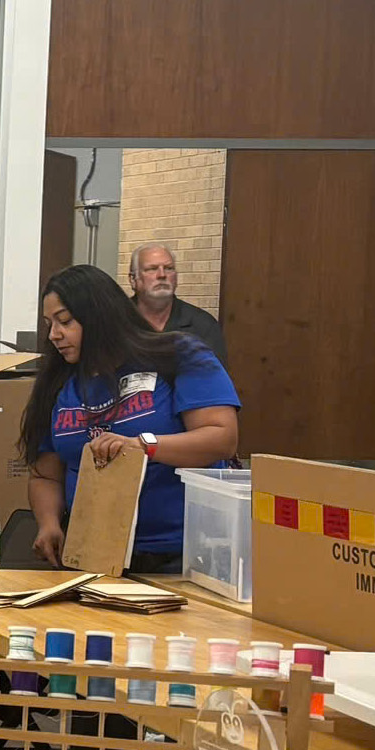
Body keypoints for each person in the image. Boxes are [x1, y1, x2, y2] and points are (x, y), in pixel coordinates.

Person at [21, 263, 241, 575]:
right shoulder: (58, 383)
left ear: (100, 317)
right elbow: (46, 475)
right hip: (95, 554)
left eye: (65, 321)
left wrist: (142, 444)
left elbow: (222, 438)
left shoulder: (178, 355)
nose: (54, 335)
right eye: (49, 323)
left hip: (184, 555)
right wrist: (49, 523)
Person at [127, 242, 226, 361]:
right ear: (133, 279)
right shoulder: (115, 320)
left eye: (169, 269)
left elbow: (215, 377)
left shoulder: (202, 325)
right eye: (152, 269)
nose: (162, 275)